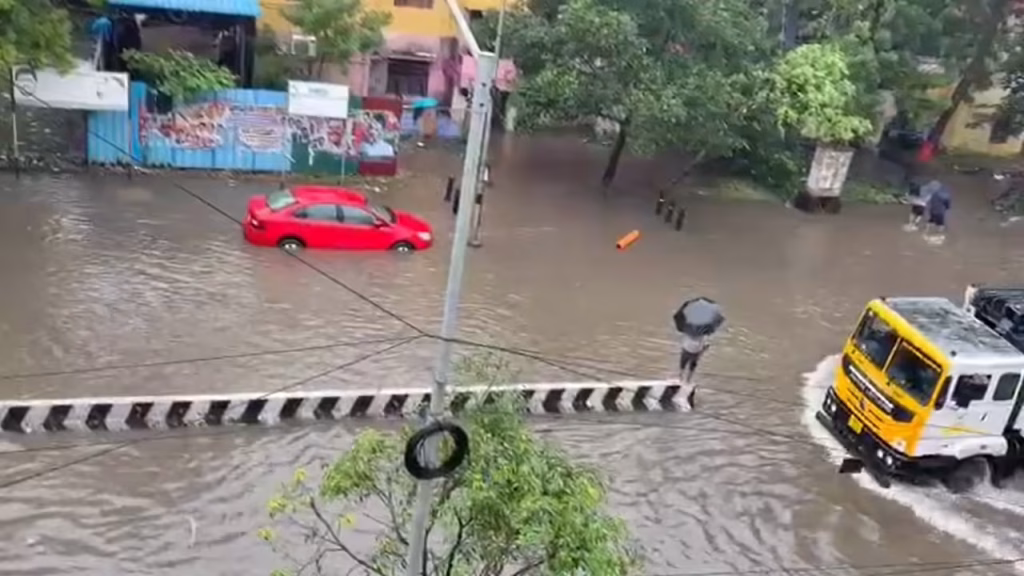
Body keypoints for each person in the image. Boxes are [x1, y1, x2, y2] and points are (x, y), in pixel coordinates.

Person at [679, 331, 712, 409]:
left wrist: (703, 350)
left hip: (691, 351)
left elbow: (705, 346)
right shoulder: (697, 335)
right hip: (691, 351)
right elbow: (704, 346)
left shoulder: (695, 335)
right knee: (686, 366)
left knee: (687, 366)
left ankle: (684, 380)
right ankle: (683, 380)